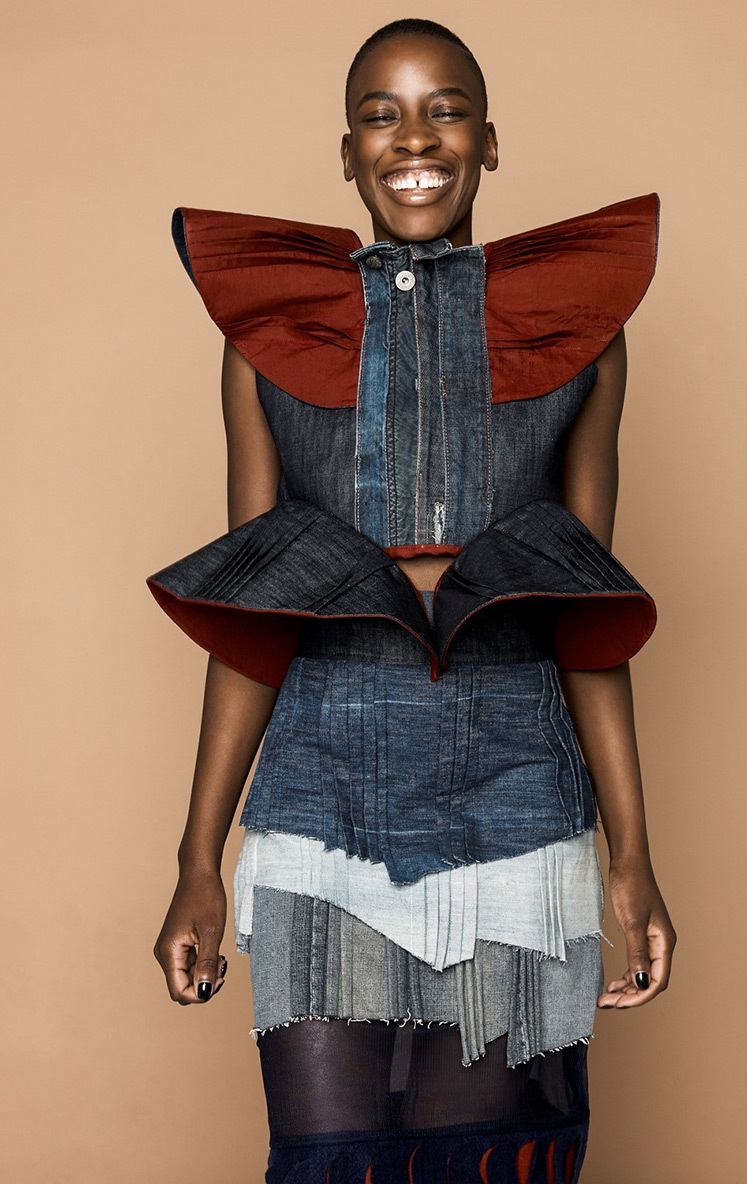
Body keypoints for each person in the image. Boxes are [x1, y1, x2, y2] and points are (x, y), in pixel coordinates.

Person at [149, 17, 676, 1183]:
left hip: (519, 799)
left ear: (488, 140)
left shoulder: (579, 333)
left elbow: (587, 612)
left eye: (445, 110)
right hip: (315, 799)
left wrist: (631, 855)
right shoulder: (270, 339)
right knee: (329, 1158)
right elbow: (252, 610)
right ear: (347, 154)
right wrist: (197, 857)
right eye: (380, 116)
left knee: (483, 1161)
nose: (414, 140)